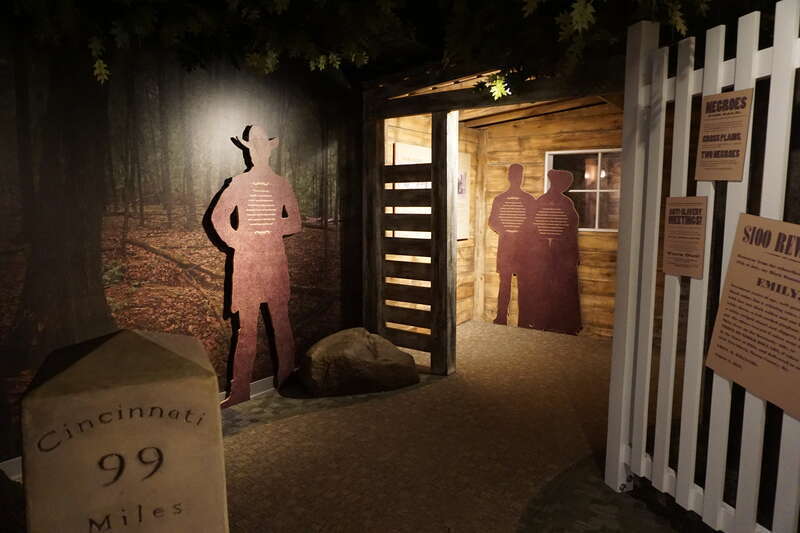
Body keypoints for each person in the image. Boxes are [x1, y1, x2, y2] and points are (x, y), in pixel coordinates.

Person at [209, 125, 301, 407]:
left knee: (281, 323)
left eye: (264, 146)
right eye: (255, 146)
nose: (259, 151)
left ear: (269, 150)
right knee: (246, 328)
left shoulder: (282, 184)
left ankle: (287, 378)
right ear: (249, 151)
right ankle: (239, 391)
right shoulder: (238, 183)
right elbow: (218, 219)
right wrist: (239, 240)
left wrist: (271, 229)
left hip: (274, 261)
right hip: (247, 263)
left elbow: (295, 221)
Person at [517, 169, 582, 334]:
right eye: (564, 183)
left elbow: (570, 229)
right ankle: (542, 321)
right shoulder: (542, 203)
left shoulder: (565, 203)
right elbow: (530, 229)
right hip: (542, 254)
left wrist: (572, 254)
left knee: (558, 288)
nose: (566, 186)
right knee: (543, 287)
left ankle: (556, 323)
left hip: (559, 255)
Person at [488, 164, 536, 325]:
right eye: (515, 175)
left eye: (519, 176)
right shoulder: (499, 199)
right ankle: (501, 316)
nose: (517, 179)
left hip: (522, 249)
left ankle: (525, 319)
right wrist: (507, 231)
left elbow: (533, 223)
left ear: (521, 178)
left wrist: (518, 231)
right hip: (506, 249)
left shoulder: (529, 200)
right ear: (510, 177)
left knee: (523, 284)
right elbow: (492, 221)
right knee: (505, 283)